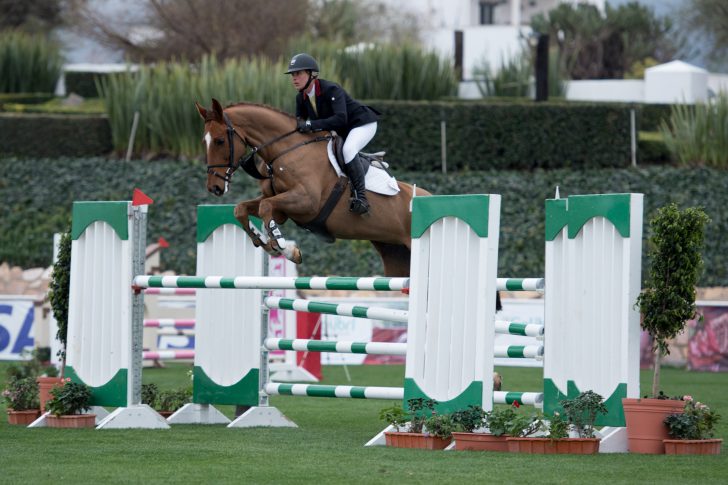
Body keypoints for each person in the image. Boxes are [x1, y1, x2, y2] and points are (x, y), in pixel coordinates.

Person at [286, 53, 380, 215]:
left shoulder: (331, 89)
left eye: (298, 73)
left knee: (348, 150)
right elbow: (300, 124)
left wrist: (309, 125)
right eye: (293, 75)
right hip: (345, 130)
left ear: (311, 74)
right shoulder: (300, 98)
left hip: (362, 124)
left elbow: (340, 119)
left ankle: (362, 198)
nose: (294, 78)